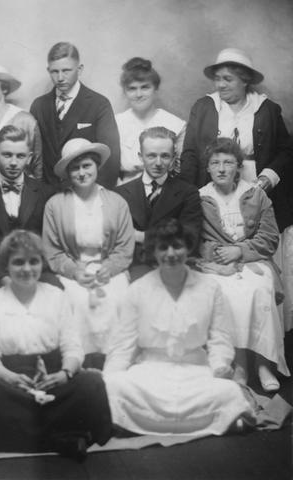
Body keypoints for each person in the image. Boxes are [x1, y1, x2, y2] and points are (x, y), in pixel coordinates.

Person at [104, 218, 254, 445]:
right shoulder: (137, 290)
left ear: (188, 247)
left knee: (228, 392)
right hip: (150, 372)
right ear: (154, 251)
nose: (171, 253)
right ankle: (208, 422)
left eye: (177, 246)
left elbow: (220, 338)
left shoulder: (210, 288)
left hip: (196, 371)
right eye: (163, 247)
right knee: (115, 386)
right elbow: (123, 344)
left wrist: (220, 366)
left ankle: (139, 423)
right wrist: (110, 377)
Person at [0, 230, 112, 460]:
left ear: (42, 263)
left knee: (92, 382)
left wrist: (64, 373)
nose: (27, 269)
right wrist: (10, 378)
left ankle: (12, 439)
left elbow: (72, 347)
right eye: (18, 262)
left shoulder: (57, 296)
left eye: (33, 261)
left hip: (54, 379)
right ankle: (61, 439)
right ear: (6, 266)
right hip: (12, 383)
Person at [179, 48, 293, 330]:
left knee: (256, 260)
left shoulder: (266, 109)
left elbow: (286, 151)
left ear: (245, 80)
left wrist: (266, 179)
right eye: (217, 79)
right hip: (213, 186)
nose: (221, 85)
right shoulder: (204, 107)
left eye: (228, 79)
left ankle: (265, 337)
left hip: (256, 186)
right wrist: (190, 194)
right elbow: (191, 153)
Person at [196, 138, 290, 391]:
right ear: (208, 168)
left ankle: (263, 362)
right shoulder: (200, 198)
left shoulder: (255, 194)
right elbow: (196, 240)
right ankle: (239, 362)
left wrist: (240, 250)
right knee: (225, 292)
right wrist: (218, 254)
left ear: (239, 166)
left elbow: (269, 237)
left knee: (259, 288)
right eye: (215, 163)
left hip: (253, 260)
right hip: (216, 265)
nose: (222, 169)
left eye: (228, 162)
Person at [42, 138, 134, 365]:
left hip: (108, 268)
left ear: (97, 166)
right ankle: (81, 364)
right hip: (74, 270)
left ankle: (115, 362)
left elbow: (124, 246)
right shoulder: (55, 205)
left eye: (87, 166)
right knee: (77, 301)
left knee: (117, 298)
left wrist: (109, 268)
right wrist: (75, 272)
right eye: (75, 168)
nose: (82, 173)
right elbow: (52, 250)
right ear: (67, 173)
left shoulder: (116, 202)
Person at [0, 125, 55, 305]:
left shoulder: (45, 194)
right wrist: (3, 277)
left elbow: (49, 244)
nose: (14, 162)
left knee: (57, 293)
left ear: (29, 158)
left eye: (20, 156)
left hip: (35, 269)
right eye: (7, 155)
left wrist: (32, 273)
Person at [30, 42, 120, 189]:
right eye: (54, 71)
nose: (60, 78)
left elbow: (110, 160)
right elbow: (33, 156)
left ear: (79, 69)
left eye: (66, 71)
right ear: (48, 70)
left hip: (86, 193)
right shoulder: (39, 106)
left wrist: (96, 198)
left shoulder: (99, 104)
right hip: (46, 196)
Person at [116, 126, 201, 271]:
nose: (158, 163)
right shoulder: (120, 194)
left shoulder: (188, 193)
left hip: (175, 267)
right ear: (140, 157)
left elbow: (189, 239)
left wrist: (142, 237)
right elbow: (117, 241)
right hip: (133, 266)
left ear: (173, 158)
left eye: (165, 156)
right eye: (151, 156)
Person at [116, 57, 186, 184]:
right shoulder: (116, 123)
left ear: (155, 88)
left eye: (145, 87)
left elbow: (181, 169)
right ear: (125, 92)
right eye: (132, 88)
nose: (138, 94)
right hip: (125, 193)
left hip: (166, 192)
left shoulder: (176, 124)